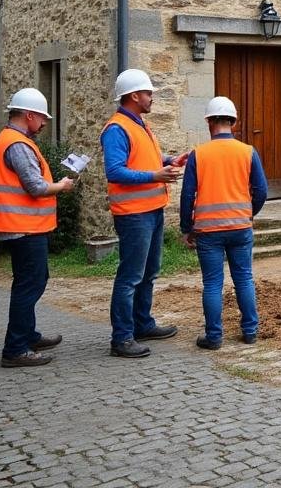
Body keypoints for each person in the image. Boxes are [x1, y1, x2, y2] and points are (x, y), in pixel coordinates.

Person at [0, 88, 75, 368]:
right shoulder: (17, 144)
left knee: (32, 281)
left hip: (22, 226)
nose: (45, 122)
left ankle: (28, 336)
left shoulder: (11, 140)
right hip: (24, 228)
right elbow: (35, 187)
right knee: (29, 285)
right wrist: (62, 186)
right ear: (28, 115)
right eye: (42, 117)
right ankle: (16, 349)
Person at [101, 69, 185, 358]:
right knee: (130, 276)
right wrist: (155, 176)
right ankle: (122, 338)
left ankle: (142, 324)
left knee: (149, 272)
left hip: (151, 210)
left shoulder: (139, 125)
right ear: (134, 96)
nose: (152, 98)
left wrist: (170, 160)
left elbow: (145, 157)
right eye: (148, 93)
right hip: (133, 214)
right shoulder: (117, 129)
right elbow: (115, 171)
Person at [180, 96, 267, 349]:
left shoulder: (198, 154)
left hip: (208, 231)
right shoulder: (248, 152)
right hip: (240, 227)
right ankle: (250, 332)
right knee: (244, 279)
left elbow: (187, 195)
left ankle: (214, 337)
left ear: (209, 122)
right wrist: (248, 213)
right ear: (234, 122)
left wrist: (187, 227)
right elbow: (261, 191)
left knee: (212, 284)